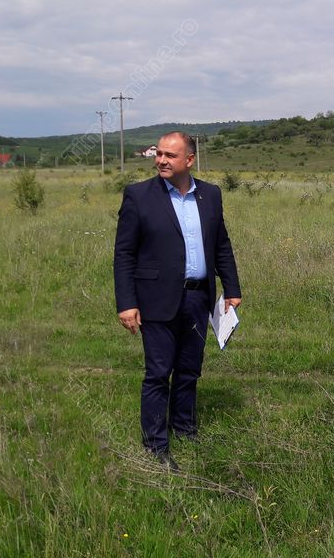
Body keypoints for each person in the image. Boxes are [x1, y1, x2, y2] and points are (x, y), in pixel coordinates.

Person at [113, 131, 242, 471]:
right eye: (159, 154)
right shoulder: (139, 196)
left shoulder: (210, 195)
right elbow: (124, 254)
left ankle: (185, 429)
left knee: (189, 369)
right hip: (156, 299)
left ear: (189, 160)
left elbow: (221, 244)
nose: (161, 160)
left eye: (170, 155)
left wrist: (232, 288)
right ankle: (155, 445)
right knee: (158, 373)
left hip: (199, 297)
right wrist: (126, 303)